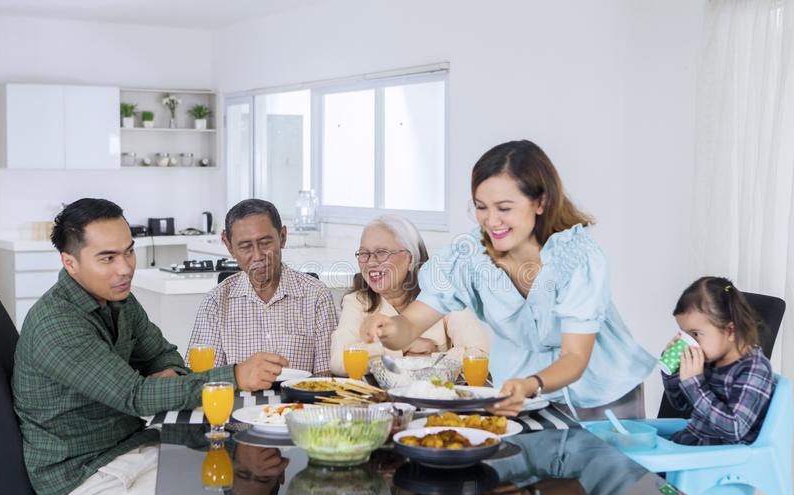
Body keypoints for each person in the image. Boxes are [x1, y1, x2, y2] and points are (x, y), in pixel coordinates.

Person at [11, 198, 285, 495]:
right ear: (70, 263)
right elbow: (136, 397)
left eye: (128, 251)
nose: (125, 267)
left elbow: (163, 354)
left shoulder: (118, 298)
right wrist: (236, 375)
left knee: (234, 476)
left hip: (129, 450)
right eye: (107, 258)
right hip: (81, 480)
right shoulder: (57, 324)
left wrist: (165, 378)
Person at [360, 140, 656, 418]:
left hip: (604, 398)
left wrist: (531, 384)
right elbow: (410, 325)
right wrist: (388, 328)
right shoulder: (469, 258)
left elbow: (575, 357)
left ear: (540, 202)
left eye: (504, 208)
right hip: (524, 398)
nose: (491, 221)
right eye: (481, 207)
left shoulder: (577, 258)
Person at [188, 199, 338, 375]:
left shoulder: (316, 296)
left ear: (282, 237)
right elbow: (203, 380)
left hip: (298, 402)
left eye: (265, 243)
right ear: (229, 247)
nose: (258, 256)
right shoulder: (215, 303)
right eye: (245, 247)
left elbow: (326, 377)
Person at [330, 214, 489, 376]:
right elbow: (338, 362)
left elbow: (481, 354)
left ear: (410, 259)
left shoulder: (442, 295)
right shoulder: (357, 301)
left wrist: (433, 356)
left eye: (382, 252)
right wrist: (400, 348)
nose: (370, 262)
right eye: (364, 253)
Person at [661, 276, 775, 445]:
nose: (689, 342)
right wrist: (672, 369)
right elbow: (681, 404)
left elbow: (734, 429)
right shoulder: (709, 358)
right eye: (684, 334)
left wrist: (695, 384)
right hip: (693, 442)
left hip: (720, 458)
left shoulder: (755, 369)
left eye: (695, 334)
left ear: (730, 331)